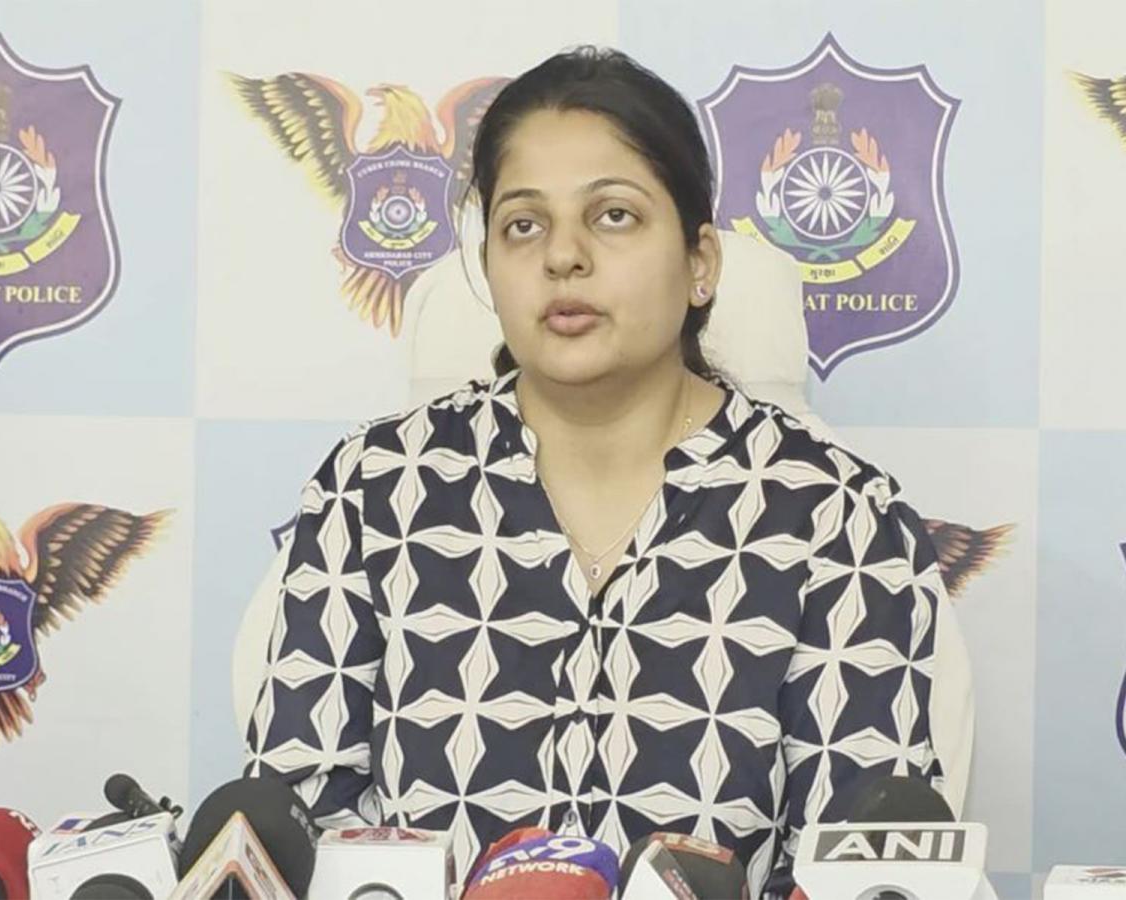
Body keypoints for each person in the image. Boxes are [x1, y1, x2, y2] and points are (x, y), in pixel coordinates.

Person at [244, 45, 949, 898]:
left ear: (700, 263)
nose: (563, 256)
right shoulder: (375, 490)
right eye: (523, 225)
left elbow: (852, 871)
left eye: (613, 216)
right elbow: (295, 840)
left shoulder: (835, 517)